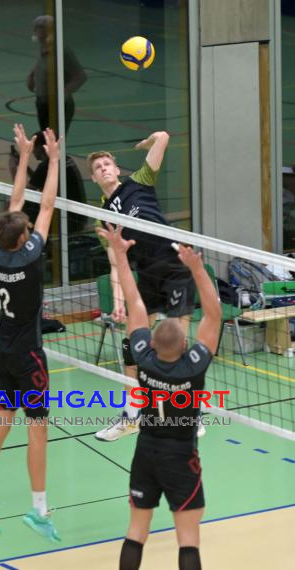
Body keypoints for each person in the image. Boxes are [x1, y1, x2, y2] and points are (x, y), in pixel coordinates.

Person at [96, 224, 221, 570]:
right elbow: (214, 316)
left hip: (146, 453)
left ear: (150, 344)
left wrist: (120, 255)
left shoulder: (144, 361)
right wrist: (196, 268)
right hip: (181, 456)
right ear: (184, 345)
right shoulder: (193, 367)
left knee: (136, 531)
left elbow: (135, 303)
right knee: (188, 539)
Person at [0, 124, 62, 543]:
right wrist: (52, 159)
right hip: (29, 358)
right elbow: (46, 205)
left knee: (2, 420)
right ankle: (39, 510)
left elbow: (17, 203)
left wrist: (24, 157)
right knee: (37, 429)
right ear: (22, 237)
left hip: (4, 352)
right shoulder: (30, 252)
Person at [87, 131, 196, 441]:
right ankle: (132, 415)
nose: (105, 169)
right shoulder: (102, 218)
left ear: (118, 170)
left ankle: (188, 413)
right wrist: (118, 299)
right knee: (132, 344)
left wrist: (147, 143)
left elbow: (163, 137)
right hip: (147, 275)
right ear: (94, 179)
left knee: (176, 343)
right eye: (99, 168)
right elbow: (114, 261)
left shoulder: (140, 181)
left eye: (108, 164)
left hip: (175, 266)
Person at [10, 131, 87, 234]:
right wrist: (26, 167)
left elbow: (24, 193)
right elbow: (39, 179)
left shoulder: (44, 166)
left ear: (41, 147)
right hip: (79, 215)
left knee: (26, 205)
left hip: (67, 218)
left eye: (34, 148)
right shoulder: (65, 159)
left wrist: (15, 169)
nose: (32, 151)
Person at [27, 15, 87, 133]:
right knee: (46, 140)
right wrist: (31, 75)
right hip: (42, 103)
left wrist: (63, 93)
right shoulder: (43, 49)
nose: (38, 32)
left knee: (52, 142)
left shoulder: (62, 51)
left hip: (57, 104)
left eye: (41, 29)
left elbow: (80, 76)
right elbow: (42, 64)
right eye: (37, 29)